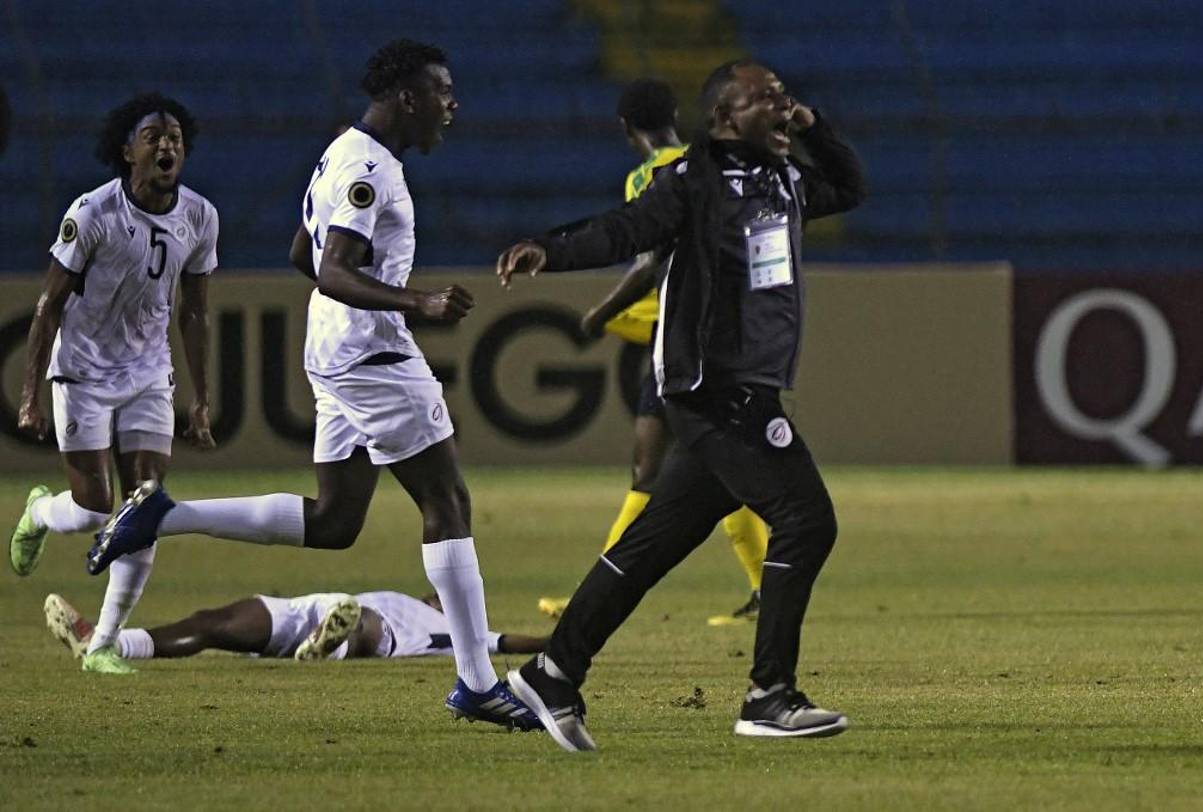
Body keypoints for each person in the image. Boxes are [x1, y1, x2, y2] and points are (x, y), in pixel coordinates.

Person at [86, 39, 538, 732]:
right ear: (407, 96)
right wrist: (417, 303)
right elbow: (330, 267)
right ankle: (477, 683)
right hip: (371, 355)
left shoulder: (340, 152)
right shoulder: (366, 168)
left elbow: (301, 252)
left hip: (334, 348)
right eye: (441, 92)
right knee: (447, 500)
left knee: (335, 522)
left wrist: (354, 318)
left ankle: (164, 515)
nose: (452, 106)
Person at [496, 59, 866, 751]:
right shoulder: (694, 179)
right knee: (806, 520)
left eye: (787, 94)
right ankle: (769, 696)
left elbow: (849, 186)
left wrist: (815, 124)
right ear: (725, 116)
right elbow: (625, 230)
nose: (783, 106)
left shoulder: (782, 179)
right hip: (713, 387)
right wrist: (550, 249)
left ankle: (552, 673)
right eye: (767, 98)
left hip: (747, 385)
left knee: (650, 546)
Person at [537, 77, 769, 627]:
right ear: (675, 115)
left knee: (679, 469)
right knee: (662, 468)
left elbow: (651, 262)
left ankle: (765, 585)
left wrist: (599, 315)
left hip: (689, 342)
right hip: (702, 337)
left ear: (625, 129)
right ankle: (600, 593)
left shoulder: (649, 175)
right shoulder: (708, 159)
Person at [7, 93, 218, 676]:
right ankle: (42, 515)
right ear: (127, 151)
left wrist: (200, 399)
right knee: (96, 509)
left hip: (149, 372)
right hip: (83, 370)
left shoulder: (200, 216)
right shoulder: (93, 213)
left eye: (175, 135)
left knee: (143, 505)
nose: (166, 144)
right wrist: (29, 395)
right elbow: (49, 306)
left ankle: (101, 642)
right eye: (152, 135)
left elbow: (195, 311)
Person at [44, 590, 549, 665]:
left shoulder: (463, 630)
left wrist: (560, 641)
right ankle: (102, 644)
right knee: (210, 624)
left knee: (363, 621)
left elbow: (508, 644)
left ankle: (332, 641)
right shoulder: (405, 593)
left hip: (376, 632)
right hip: (303, 610)